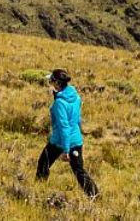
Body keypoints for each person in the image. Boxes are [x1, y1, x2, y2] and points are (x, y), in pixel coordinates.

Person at [36, 69, 99, 198]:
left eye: (52, 81)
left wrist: (65, 150)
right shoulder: (76, 96)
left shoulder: (60, 103)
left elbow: (64, 126)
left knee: (43, 164)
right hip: (76, 140)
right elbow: (76, 118)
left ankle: (38, 191)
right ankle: (94, 196)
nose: (51, 84)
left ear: (58, 83)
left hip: (60, 141)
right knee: (79, 171)